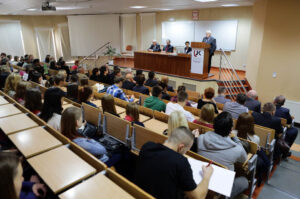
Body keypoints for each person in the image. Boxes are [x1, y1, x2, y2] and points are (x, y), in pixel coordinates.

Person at [135, 127, 213, 199]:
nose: (185, 153)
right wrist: (207, 176)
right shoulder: (181, 162)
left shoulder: (147, 146)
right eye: (186, 150)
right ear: (181, 147)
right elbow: (198, 197)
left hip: (138, 194)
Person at [197, 112, 248, 198]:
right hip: (220, 187)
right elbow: (244, 159)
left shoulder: (201, 138)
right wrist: (236, 139)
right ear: (231, 130)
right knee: (244, 181)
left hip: (201, 178)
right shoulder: (237, 149)